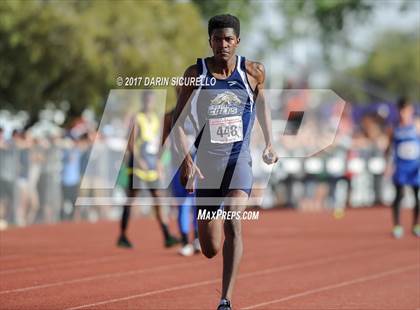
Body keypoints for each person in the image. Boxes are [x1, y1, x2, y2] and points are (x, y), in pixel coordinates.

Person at [172, 14, 278, 310]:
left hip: (238, 162)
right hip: (206, 164)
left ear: (238, 41)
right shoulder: (196, 72)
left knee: (234, 220)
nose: (223, 44)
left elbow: (263, 105)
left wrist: (270, 141)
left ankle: (225, 299)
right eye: (217, 39)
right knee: (209, 248)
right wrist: (186, 162)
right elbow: (178, 123)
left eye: (228, 39)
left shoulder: (253, 71)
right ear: (210, 42)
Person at [117, 90, 179, 248]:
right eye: (147, 100)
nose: (149, 103)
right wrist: (139, 161)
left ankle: (166, 235)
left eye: (151, 100)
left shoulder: (156, 119)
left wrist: (159, 163)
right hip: (138, 166)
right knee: (131, 199)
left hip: (151, 165)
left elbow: (159, 142)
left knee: (159, 198)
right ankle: (122, 235)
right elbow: (131, 143)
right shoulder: (137, 118)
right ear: (143, 101)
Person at [386, 97, 419, 238]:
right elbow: (389, 148)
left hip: (415, 166)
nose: (403, 113)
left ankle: (416, 225)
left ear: (410, 110)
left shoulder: (417, 125)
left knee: (417, 195)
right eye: (401, 110)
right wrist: (388, 165)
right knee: (399, 195)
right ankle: (397, 225)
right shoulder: (394, 128)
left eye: (405, 110)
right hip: (400, 166)